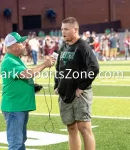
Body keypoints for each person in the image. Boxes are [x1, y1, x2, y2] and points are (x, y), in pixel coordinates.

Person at [0, 32, 55, 150]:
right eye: (21, 42)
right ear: (14, 46)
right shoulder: (9, 61)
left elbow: (19, 79)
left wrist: (31, 86)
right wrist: (45, 64)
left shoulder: (16, 59)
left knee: (20, 142)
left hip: (19, 106)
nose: (24, 44)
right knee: (16, 143)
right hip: (14, 107)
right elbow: (26, 74)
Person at [54, 17, 99, 150]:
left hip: (80, 95)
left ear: (75, 30)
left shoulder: (83, 46)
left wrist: (82, 86)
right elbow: (59, 68)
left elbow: (94, 68)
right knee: (71, 128)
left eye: (66, 29)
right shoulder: (63, 47)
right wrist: (57, 85)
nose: (63, 32)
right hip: (65, 93)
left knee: (84, 128)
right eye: (62, 29)